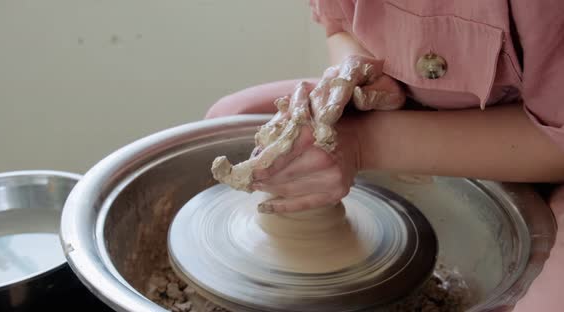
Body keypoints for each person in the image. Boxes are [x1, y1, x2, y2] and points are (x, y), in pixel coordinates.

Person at [205, 1, 564, 310]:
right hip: (406, 108)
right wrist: (355, 74)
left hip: (534, 143)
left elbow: (556, 138)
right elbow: (340, 29)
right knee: (231, 119)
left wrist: (363, 144)